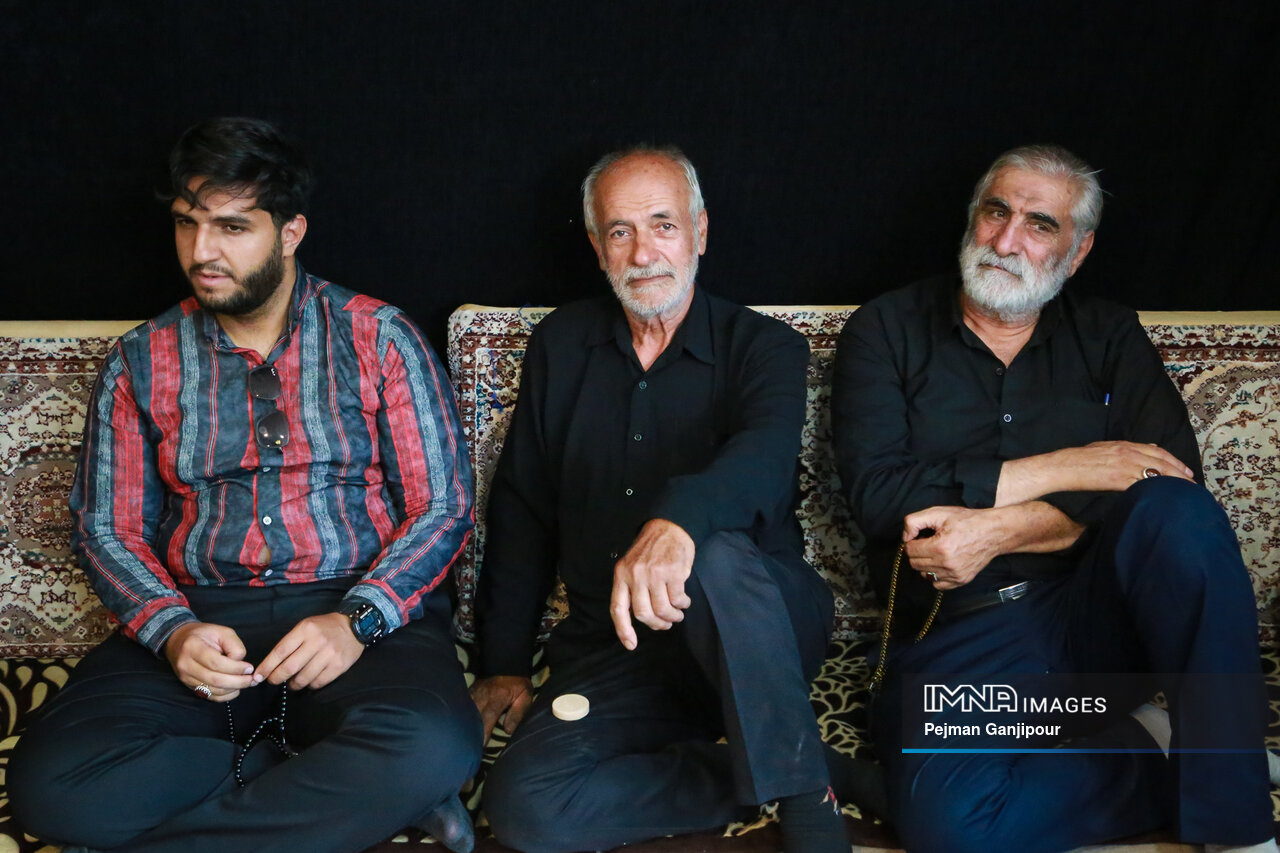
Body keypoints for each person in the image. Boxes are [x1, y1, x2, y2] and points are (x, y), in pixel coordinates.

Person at [8, 117, 482, 853]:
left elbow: (443, 506)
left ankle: (365, 784)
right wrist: (173, 631)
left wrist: (357, 620)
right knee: (51, 785)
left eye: (232, 227)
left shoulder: (379, 337)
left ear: (290, 232)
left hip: (350, 615)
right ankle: (337, 788)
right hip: (203, 617)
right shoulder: (141, 359)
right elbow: (107, 527)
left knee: (432, 745)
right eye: (187, 223)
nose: (202, 251)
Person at [832, 144, 1275, 853]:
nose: (1007, 241)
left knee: (1177, 515)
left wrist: (1000, 529)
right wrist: (1075, 465)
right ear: (972, 217)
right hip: (961, 639)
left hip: (1099, 630)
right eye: (996, 212)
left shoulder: (1108, 334)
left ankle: (1237, 827)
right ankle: (1176, 750)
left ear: (1078, 250)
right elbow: (883, 497)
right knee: (955, 827)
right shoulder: (886, 330)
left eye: (1040, 225)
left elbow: (1174, 480)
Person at [469, 146, 871, 853]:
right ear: (597, 247)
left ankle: (807, 806)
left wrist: (676, 522)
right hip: (620, 649)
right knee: (527, 807)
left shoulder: (764, 347)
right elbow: (523, 507)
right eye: (620, 231)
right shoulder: (560, 345)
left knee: (715, 555)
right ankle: (792, 764)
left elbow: (762, 463)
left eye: (663, 225)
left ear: (700, 232)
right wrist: (503, 661)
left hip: (759, 634)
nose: (644, 252)